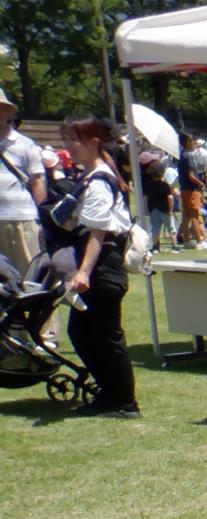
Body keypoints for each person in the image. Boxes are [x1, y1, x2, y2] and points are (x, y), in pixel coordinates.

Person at [57, 117, 138, 418]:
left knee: (104, 334)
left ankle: (124, 401)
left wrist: (84, 272)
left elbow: (97, 233)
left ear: (93, 142)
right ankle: (110, 394)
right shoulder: (93, 177)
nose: (68, 146)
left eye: (73, 140)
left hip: (103, 265)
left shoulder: (100, 180)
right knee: (84, 333)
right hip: (99, 266)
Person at [0, 90, 44, 276]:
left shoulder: (26, 144)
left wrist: (41, 219)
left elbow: (37, 183)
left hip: (21, 218)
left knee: (28, 275)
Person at [175, 130, 207, 247]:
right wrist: (201, 183)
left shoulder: (182, 154)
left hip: (184, 188)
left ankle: (186, 239)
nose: (194, 143)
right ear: (186, 142)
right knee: (195, 214)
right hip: (191, 189)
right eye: (192, 141)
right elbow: (191, 175)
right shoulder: (187, 156)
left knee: (186, 215)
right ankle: (200, 239)